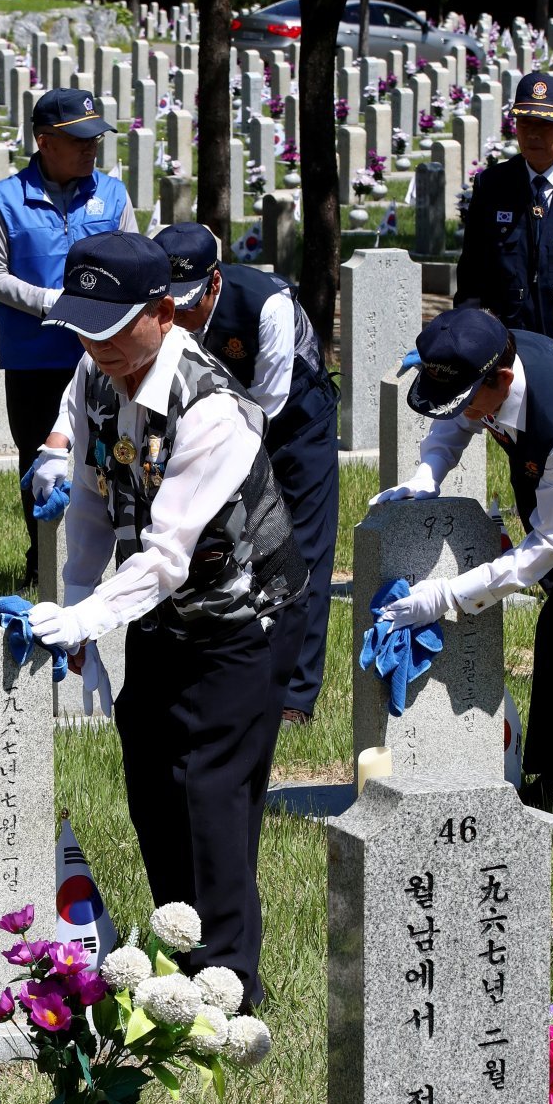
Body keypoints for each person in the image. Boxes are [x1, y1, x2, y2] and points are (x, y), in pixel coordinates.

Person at [27, 234, 307, 1010]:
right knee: (151, 776)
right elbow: (91, 501)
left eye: (113, 329)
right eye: (84, 328)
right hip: (160, 616)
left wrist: (85, 615)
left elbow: (166, 557)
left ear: (162, 312)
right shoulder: (95, 374)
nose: (96, 346)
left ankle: (226, 987)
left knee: (210, 790)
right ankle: (179, 949)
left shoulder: (214, 407)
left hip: (242, 617)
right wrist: (77, 608)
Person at [372, 304, 553, 806]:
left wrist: (447, 595)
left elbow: (546, 546)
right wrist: (429, 471)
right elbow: (456, 419)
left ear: (500, 378)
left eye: (468, 400)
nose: (464, 412)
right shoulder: (487, 348)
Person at [152, 223, 339, 727]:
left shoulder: (268, 305)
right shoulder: (165, 313)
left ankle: (295, 694)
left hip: (294, 426)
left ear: (214, 282)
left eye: (189, 305)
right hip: (209, 427)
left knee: (302, 550)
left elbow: (267, 404)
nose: (180, 320)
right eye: (170, 308)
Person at [0, 87, 136, 585]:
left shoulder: (112, 193)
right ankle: (42, 558)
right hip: (35, 358)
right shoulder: (5, 198)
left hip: (107, 354)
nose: (92, 149)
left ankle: (120, 558)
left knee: (116, 452)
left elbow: (134, 257)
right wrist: (52, 302)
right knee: (40, 456)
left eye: (96, 139)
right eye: (80, 141)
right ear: (45, 142)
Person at [455, 72, 553, 358]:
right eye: (524, 122)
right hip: (509, 345)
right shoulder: (492, 185)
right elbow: (472, 273)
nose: (532, 133)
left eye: (545, 124)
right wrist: (468, 338)